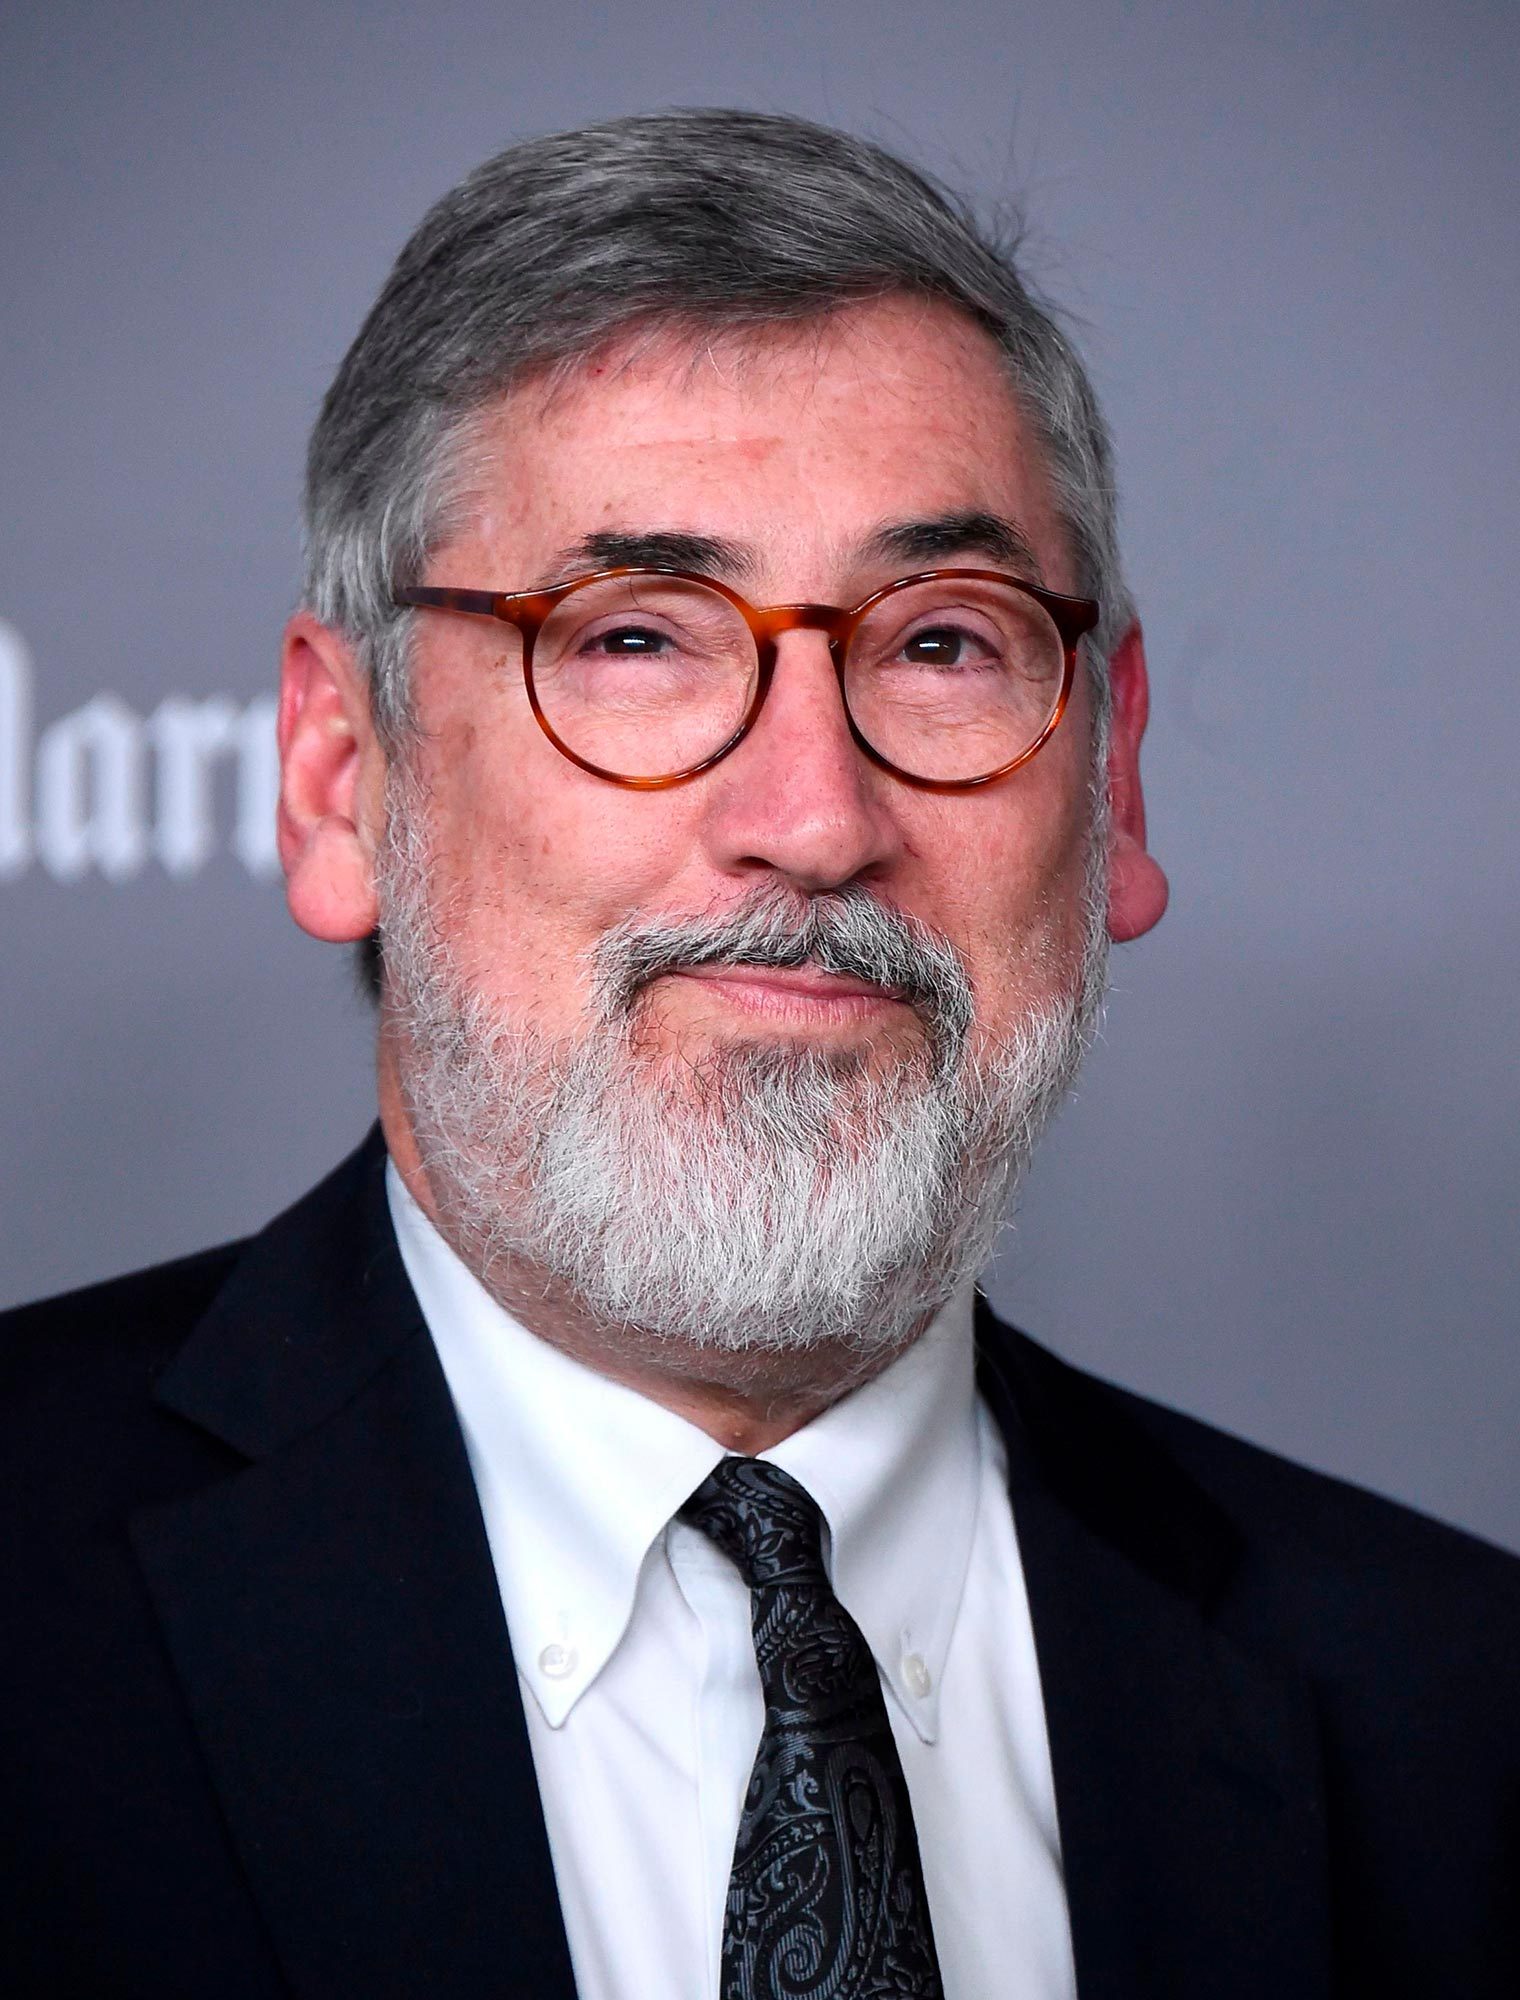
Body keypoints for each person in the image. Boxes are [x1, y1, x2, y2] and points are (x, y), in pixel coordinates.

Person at [1, 108, 1516, 2000]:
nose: (812, 816)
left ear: (1110, 771)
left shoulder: (1461, 1725)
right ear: (341, 777)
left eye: (944, 648)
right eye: (636, 638)